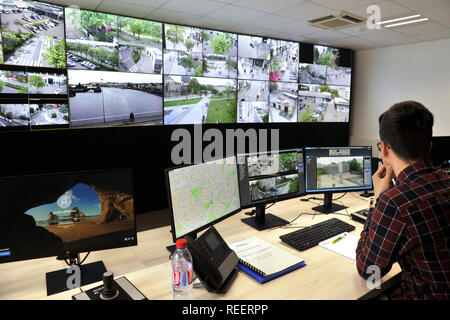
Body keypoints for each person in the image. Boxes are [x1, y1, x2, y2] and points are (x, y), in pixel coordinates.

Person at [356, 100, 450, 300]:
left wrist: (378, 198)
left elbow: (369, 271)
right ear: (430, 146)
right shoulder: (446, 179)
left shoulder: (395, 202)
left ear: (385, 149)